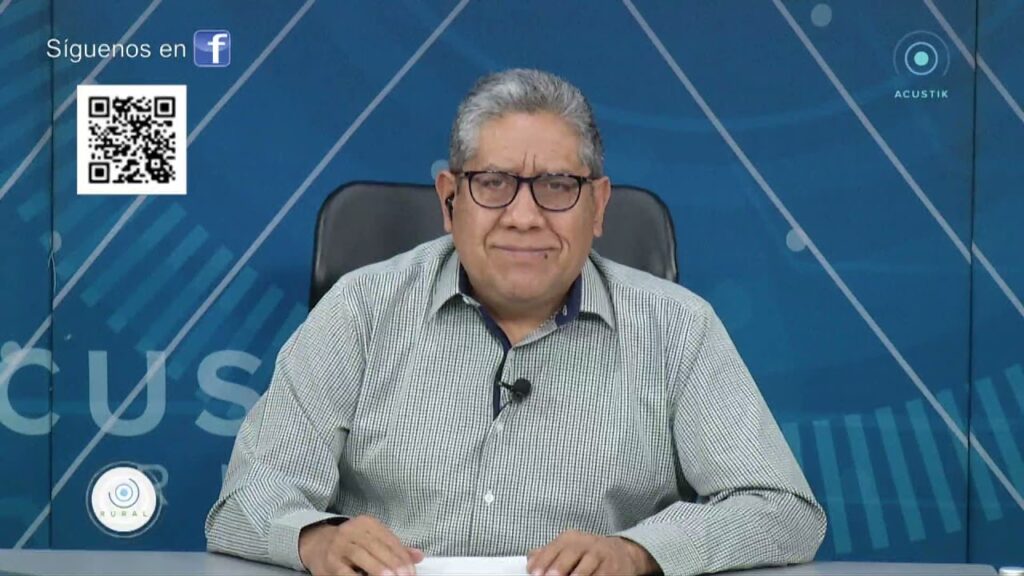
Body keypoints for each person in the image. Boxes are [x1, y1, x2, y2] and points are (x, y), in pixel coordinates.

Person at [206, 68, 826, 576]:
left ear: (598, 205)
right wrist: (318, 539)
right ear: (449, 200)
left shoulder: (677, 328)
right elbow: (243, 503)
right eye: (494, 183)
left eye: (556, 186)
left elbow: (782, 511)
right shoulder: (360, 310)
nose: (524, 217)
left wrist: (638, 553)